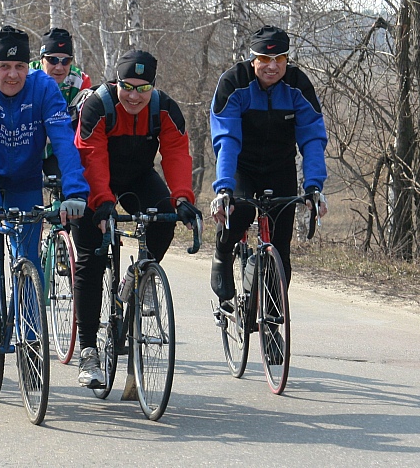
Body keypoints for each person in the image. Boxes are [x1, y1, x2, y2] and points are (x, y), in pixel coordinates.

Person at [72, 49, 201, 387]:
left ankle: (140, 275)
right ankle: (88, 351)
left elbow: (176, 152)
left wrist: (182, 198)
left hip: (138, 177)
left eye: (143, 89)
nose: (133, 96)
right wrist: (102, 201)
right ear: (116, 82)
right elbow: (91, 155)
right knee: (90, 259)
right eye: (127, 87)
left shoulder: (164, 108)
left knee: (165, 217)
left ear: (153, 87)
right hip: (91, 180)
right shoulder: (98, 106)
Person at [0, 26, 90, 315]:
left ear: (29, 67)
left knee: (30, 261)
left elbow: (64, 141)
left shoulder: (44, 87)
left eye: (20, 66)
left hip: (25, 175)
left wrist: (75, 192)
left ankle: (31, 333)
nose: (13, 75)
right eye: (4, 66)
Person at [209, 25, 328, 301]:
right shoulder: (234, 83)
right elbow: (226, 139)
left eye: (280, 59)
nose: (272, 67)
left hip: (279, 168)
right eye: (265, 59)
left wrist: (313, 186)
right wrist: (224, 187)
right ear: (253, 59)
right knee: (238, 213)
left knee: (280, 249)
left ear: (287, 59)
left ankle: (273, 319)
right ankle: (222, 254)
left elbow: (312, 138)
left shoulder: (298, 85)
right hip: (242, 167)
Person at [29, 27, 91, 180]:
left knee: (71, 182)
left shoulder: (80, 81)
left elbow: (85, 126)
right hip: (27, 146)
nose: (59, 67)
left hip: (59, 148)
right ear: (41, 59)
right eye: (53, 60)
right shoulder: (26, 76)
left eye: (66, 61)